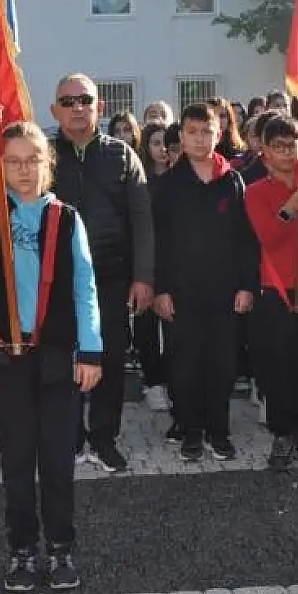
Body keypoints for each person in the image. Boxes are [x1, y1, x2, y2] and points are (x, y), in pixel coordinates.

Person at [0, 123, 103, 593]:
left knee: (56, 459)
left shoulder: (67, 218)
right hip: (8, 355)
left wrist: (91, 349)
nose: (24, 170)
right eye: (13, 161)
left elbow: (85, 287)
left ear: (48, 164)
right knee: (15, 460)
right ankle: (22, 550)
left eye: (33, 159)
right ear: (0, 168)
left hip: (57, 356)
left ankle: (61, 547)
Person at [48, 74, 154, 474]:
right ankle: (70, 438)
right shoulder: (42, 155)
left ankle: (104, 438)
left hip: (111, 278)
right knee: (63, 359)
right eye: (68, 100)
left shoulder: (123, 155)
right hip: (56, 280)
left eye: (85, 100)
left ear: (100, 107)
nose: (77, 107)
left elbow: (142, 220)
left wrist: (143, 276)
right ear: (54, 109)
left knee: (108, 359)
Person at [152, 103, 258, 462]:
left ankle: (218, 430)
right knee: (184, 363)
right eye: (193, 132)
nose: (200, 139)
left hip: (225, 292)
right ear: (181, 135)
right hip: (181, 292)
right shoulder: (168, 186)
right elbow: (159, 241)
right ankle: (190, 429)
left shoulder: (232, 180)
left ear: (219, 134)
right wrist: (161, 289)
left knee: (223, 362)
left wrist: (246, 285)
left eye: (207, 131)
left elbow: (246, 239)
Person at [243, 115, 298, 468]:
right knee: (274, 364)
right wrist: (289, 210)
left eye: (291, 145)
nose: (285, 152)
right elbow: (267, 237)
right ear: (264, 151)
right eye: (277, 146)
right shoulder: (256, 191)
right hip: (273, 289)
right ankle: (282, 433)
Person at [135, 121, 174, 413]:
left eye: (167, 144)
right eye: (155, 143)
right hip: (149, 262)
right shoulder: (140, 183)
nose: (162, 150)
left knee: (174, 327)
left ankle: (174, 380)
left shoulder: (182, 181)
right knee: (146, 324)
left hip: (175, 265)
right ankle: (153, 382)